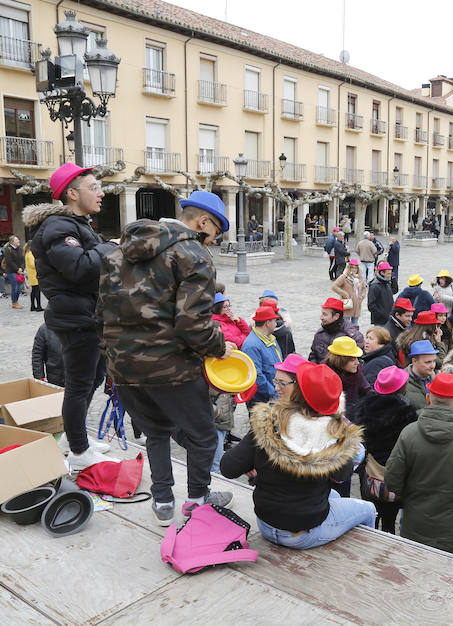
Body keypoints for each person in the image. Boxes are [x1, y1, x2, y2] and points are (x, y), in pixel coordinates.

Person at [97, 189, 236, 523]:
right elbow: (193, 325)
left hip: (124, 368)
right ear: (203, 221)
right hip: (172, 369)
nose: (215, 241)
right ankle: (198, 500)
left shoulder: (116, 253)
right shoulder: (193, 254)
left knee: (156, 433)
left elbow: (100, 315)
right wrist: (221, 346)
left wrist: (115, 360)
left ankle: (162, 502)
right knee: (203, 436)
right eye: (216, 232)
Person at [220, 362, 376, 548]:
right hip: (304, 533)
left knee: (333, 495)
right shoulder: (332, 434)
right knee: (368, 509)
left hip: (266, 523)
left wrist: (255, 454)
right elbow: (341, 476)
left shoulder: (267, 423)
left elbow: (227, 468)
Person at [26, 163, 119, 469]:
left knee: (92, 378)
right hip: (76, 319)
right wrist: (111, 246)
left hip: (90, 316)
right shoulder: (58, 228)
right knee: (79, 384)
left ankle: (73, 436)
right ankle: (78, 452)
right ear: (72, 193)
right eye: (94, 187)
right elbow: (80, 268)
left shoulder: (78, 225)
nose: (101, 193)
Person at [385, 372, 453, 553]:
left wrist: (410, 497)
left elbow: (392, 480)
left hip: (415, 527)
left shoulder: (409, 433)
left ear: (428, 398)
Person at [354, 366, 417, 533]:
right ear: (401, 388)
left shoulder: (365, 407)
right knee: (389, 521)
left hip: (369, 473)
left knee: (371, 516)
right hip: (395, 474)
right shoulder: (407, 413)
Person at [240, 306, 283, 408]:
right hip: (263, 400)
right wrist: (275, 393)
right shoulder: (251, 345)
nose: (276, 324)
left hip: (274, 394)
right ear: (267, 323)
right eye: (274, 321)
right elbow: (256, 376)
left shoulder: (270, 337)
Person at [308, 298, 364, 364]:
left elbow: (359, 361)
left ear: (336, 316)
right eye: (322, 314)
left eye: (325, 314)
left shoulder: (352, 335)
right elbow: (313, 356)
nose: (321, 317)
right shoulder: (320, 334)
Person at [324, 336, 370, 417]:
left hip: (354, 418)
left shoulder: (357, 371)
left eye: (357, 359)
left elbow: (367, 390)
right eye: (352, 360)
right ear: (341, 361)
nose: (357, 363)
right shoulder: (325, 376)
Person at [403, 339, 439, 412]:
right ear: (414, 361)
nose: (433, 366)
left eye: (434, 361)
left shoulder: (436, 378)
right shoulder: (403, 383)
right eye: (428, 362)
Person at [332, 258, 366, 326]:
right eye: (352, 268)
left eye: (355, 268)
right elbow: (334, 286)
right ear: (349, 268)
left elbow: (363, 288)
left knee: (355, 325)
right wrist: (344, 293)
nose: (354, 269)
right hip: (348, 304)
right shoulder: (344, 277)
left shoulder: (360, 277)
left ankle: (354, 336)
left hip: (357, 305)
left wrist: (362, 295)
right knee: (345, 325)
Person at [2, 235, 25, 309]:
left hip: (19, 271)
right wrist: (17, 269)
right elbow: (9, 262)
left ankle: (16, 301)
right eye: (16, 240)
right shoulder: (7, 250)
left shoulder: (20, 249)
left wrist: (21, 268)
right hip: (11, 271)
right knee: (15, 287)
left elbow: (22, 260)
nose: (18, 241)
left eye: (18, 239)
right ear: (12, 242)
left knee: (20, 287)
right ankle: (14, 302)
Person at [23, 241, 42, 311]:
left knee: (34, 291)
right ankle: (38, 306)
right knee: (37, 290)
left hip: (31, 274)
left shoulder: (27, 253)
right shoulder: (30, 253)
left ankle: (33, 306)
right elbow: (33, 264)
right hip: (34, 274)